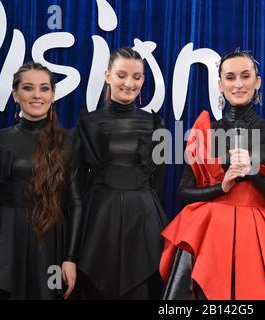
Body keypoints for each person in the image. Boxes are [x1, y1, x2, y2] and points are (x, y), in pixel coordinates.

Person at [160, 50, 265, 300]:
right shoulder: (206, 131)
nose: (238, 84)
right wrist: (220, 187)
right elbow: (183, 193)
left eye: (245, 76)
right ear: (220, 84)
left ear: (258, 81)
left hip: (257, 238)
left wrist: (253, 174)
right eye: (230, 77)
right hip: (208, 236)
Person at [0, 62, 82, 300]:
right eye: (28, 88)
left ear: (53, 95)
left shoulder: (68, 141)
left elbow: (76, 201)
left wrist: (70, 258)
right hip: (4, 238)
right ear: (16, 95)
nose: (37, 95)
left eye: (44, 88)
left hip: (49, 240)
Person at [76, 47, 167, 299]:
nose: (129, 83)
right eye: (121, 75)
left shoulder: (157, 125)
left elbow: (158, 182)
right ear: (107, 75)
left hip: (143, 222)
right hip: (97, 222)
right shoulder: (88, 122)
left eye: (137, 77)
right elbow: (77, 182)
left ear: (143, 80)